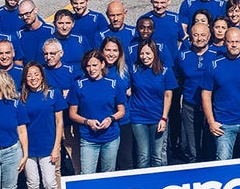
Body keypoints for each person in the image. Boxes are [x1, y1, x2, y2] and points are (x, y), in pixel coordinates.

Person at [201, 28, 240, 161]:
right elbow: (206, 95)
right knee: (223, 162)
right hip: (223, 123)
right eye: (230, 42)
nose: (234, 45)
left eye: (237, 41)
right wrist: (211, 122)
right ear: (224, 42)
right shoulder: (214, 65)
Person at [17, 60, 64, 189]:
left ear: (42, 76)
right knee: (32, 182)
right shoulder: (20, 97)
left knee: (50, 182)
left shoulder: (53, 93)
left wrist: (56, 147)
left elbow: (59, 122)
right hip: (28, 148)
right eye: (29, 75)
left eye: (36, 74)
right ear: (25, 78)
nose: (33, 78)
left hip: (48, 146)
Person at [69, 49, 128, 175]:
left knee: (108, 174)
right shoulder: (78, 85)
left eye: (94, 65)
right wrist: (87, 121)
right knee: (87, 174)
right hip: (88, 138)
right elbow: (72, 114)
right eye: (88, 66)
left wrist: (110, 119)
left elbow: (121, 110)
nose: (91, 69)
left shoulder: (113, 84)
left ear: (102, 64)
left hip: (110, 137)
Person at [173, 19, 216, 164]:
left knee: (211, 142)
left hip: (212, 105)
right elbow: (178, 79)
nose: (199, 38)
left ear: (209, 36)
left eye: (203, 35)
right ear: (190, 37)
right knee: (192, 143)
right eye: (196, 35)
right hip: (190, 105)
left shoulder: (217, 54)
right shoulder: (182, 56)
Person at [127, 41, 174, 169]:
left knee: (157, 155)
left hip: (158, 117)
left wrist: (164, 118)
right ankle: (143, 180)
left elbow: (168, 95)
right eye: (141, 53)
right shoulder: (134, 69)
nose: (144, 56)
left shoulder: (165, 71)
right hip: (138, 117)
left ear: (155, 53)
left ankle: (159, 180)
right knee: (143, 155)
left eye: (148, 53)